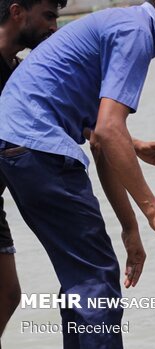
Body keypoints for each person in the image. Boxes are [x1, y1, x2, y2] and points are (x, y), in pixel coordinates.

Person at [0, 0, 155, 347]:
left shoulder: (122, 25)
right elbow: (109, 130)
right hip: (37, 146)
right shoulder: (136, 33)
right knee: (95, 280)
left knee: (85, 276)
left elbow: (102, 140)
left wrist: (130, 230)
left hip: (19, 145)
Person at [0, 0, 66, 342]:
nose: (53, 27)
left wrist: (134, 144)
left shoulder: (20, 73)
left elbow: (58, 118)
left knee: (8, 295)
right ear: (16, 12)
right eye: (48, 16)